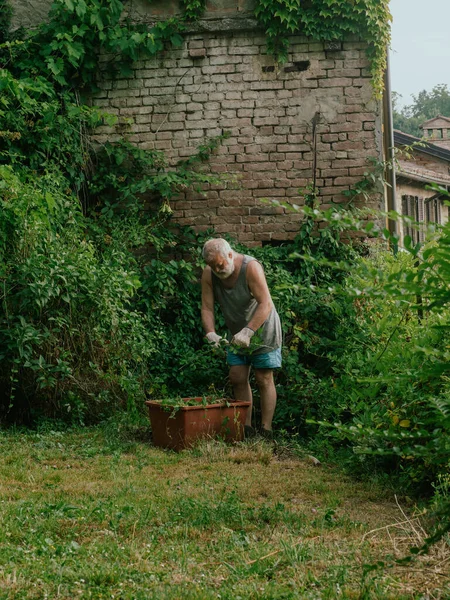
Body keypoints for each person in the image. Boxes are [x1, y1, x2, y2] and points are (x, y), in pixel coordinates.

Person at [201, 238, 282, 438]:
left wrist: (248, 331)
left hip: (262, 329)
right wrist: (210, 332)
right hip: (236, 331)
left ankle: (266, 430)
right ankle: (245, 428)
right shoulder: (209, 273)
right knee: (237, 377)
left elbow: (266, 303)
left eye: (219, 265)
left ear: (230, 255)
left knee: (263, 378)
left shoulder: (251, 268)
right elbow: (207, 307)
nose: (217, 270)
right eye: (212, 266)